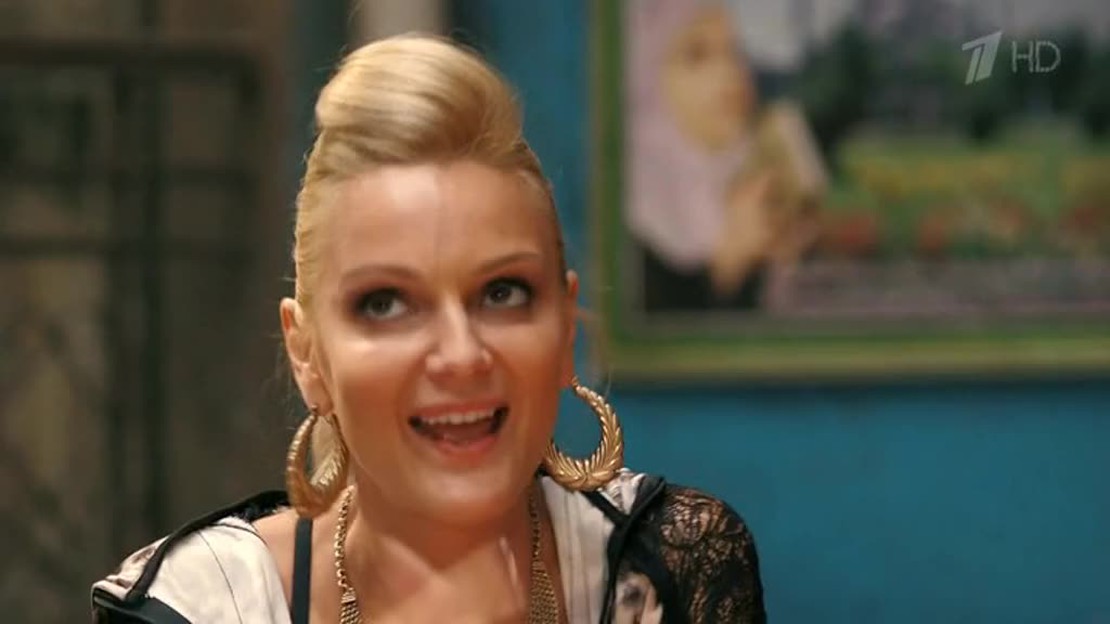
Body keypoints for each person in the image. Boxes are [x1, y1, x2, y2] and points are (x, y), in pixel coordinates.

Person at [91, 35, 766, 623]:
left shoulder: (674, 564)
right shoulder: (201, 607)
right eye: (386, 304)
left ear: (565, 325)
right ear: (307, 354)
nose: (461, 355)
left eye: (502, 293)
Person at [626, 0, 826, 313]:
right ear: (647, 79)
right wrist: (729, 262)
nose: (730, 71)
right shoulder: (628, 228)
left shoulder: (755, 176)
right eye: (697, 54)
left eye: (735, 51)